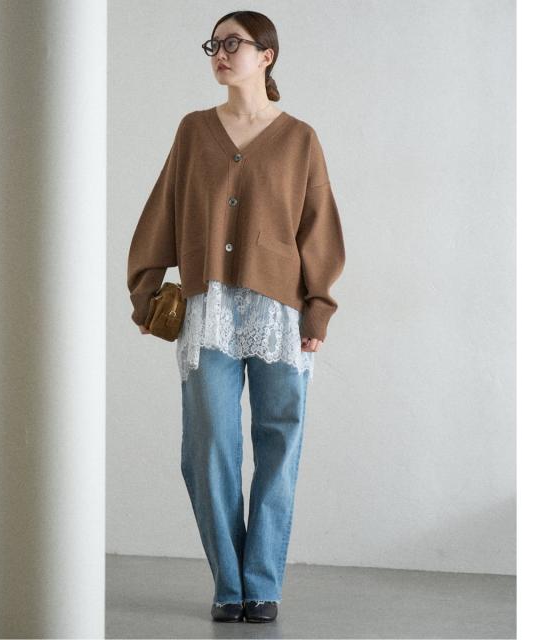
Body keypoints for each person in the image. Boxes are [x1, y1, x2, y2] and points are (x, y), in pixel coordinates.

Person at [127, 10, 346, 624]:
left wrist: (319, 310)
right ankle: (230, 585)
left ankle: (263, 583)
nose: (220, 54)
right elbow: (162, 211)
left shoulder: (300, 138)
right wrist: (146, 292)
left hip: (281, 315)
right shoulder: (194, 131)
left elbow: (318, 228)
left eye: (233, 43)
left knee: (279, 445)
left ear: (266, 55)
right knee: (208, 449)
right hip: (210, 310)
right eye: (214, 45)